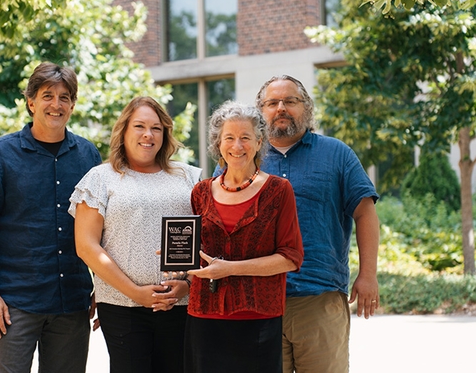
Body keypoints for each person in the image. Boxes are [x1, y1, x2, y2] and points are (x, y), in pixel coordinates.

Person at [0, 61, 102, 373]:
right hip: (15, 304)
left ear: (73, 105)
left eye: (64, 97)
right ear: (31, 102)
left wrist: (102, 289)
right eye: (47, 95)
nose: (56, 104)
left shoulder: (88, 156)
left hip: (72, 303)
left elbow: (101, 227)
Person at [253, 75, 381, 373]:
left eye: (290, 101)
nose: (281, 108)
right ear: (260, 110)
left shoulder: (337, 154)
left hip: (320, 298)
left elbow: (365, 213)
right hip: (259, 302)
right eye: (272, 103)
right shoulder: (244, 156)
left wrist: (368, 274)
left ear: (306, 108)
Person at [68, 96, 202, 373]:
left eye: (156, 128)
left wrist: (188, 285)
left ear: (165, 134)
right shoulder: (100, 178)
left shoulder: (189, 177)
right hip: (122, 306)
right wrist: (135, 293)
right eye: (139, 126)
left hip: (181, 304)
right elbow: (86, 245)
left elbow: (207, 237)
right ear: (124, 131)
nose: (148, 135)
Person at [185, 101, 304, 373]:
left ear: (259, 141)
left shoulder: (278, 190)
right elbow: (196, 255)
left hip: (258, 318)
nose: (237, 146)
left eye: (245, 138)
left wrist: (231, 270)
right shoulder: (200, 193)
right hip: (204, 315)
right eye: (229, 138)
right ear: (218, 143)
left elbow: (291, 257)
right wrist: (178, 262)